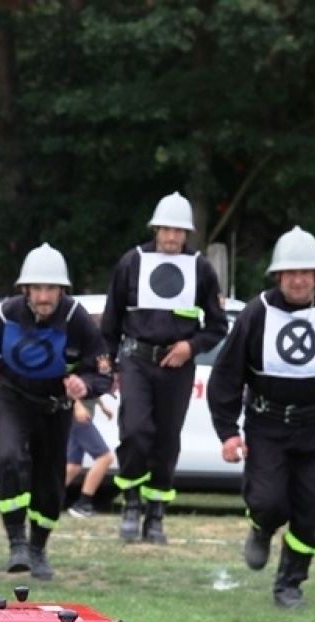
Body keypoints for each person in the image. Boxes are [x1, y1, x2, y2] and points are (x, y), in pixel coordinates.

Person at [206, 226, 315, 609]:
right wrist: (228, 432)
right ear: (278, 276)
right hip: (267, 427)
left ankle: (290, 583)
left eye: (305, 272)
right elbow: (227, 376)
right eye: (290, 273)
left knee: (313, 513)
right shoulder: (256, 314)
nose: (298, 280)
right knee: (269, 502)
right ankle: (261, 527)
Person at [0, 243, 112, 581]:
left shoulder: (77, 319)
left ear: (62, 290)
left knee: (50, 483)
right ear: (25, 289)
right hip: (11, 398)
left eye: (51, 289)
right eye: (37, 288)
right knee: (9, 457)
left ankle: (38, 548)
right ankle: (17, 542)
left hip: (55, 407)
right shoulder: (1, 315)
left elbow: (103, 372)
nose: (43, 296)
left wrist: (84, 385)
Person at [101, 192, 228, 544]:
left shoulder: (201, 269)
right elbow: (111, 319)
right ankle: (131, 503)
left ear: (187, 234)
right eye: (166, 230)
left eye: (178, 231)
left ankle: (155, 514)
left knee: (167, 439)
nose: (171, 237)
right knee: (136, 430)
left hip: (177, 365)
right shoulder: (132, 262)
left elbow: (217, 325)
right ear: (156, 230)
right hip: (137, 359)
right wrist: (109, 365)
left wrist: (191, 347)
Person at [65, 391, 114, 518]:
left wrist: (102, 406)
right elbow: (68, 384)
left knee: (73, 466)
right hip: (78, 415)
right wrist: (77, 406)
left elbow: (90, 387)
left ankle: (42, 499)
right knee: (105, 457)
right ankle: (83, 504)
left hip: (81, 415)